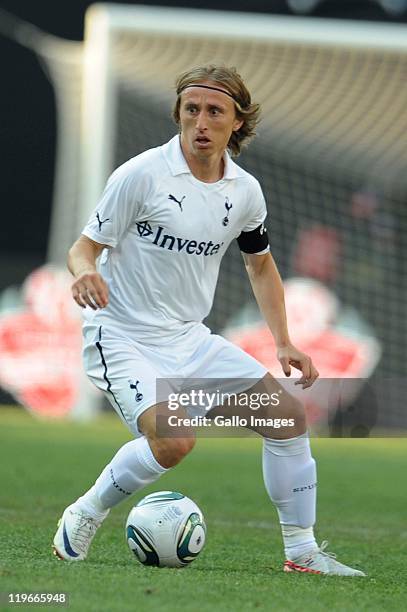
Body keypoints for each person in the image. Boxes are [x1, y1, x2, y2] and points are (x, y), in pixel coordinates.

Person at [52, 65, 365, 576]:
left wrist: (284, 340)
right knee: (175, 440)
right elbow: (84, 247)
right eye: (190, 109)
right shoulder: (141, 175)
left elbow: (260, 265)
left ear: (237, 123)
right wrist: (85, 272)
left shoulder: (244, 192)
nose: (200, 121)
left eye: (214, 111)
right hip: (122, 335)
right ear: (178, 114)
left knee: (287, 420)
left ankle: (303, 553)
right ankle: (87, 510)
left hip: (190, 340)